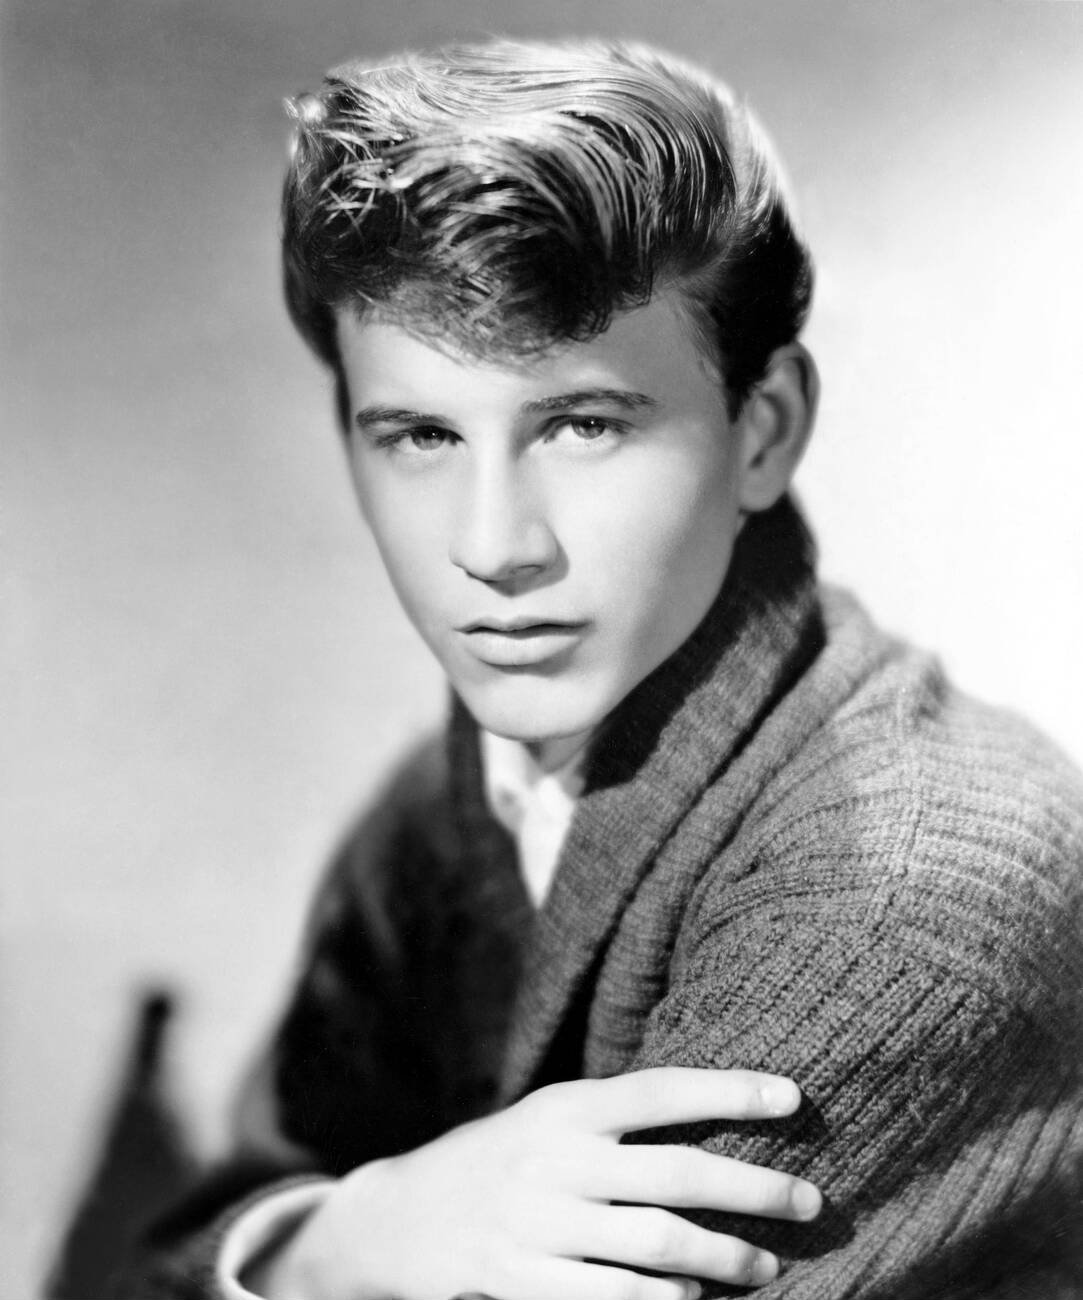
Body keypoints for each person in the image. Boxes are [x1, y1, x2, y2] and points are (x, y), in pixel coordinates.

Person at [118, 36, 1083, 1300]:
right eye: (420, 435)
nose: (492, 547)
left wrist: (328, 1252)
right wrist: (351, 1234)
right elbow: (191, 1237)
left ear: (764, 430)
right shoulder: (461, 796)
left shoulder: (903, 901)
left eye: (583, 424)